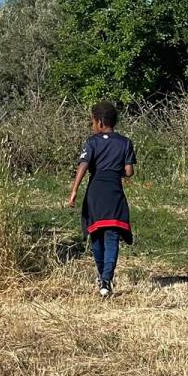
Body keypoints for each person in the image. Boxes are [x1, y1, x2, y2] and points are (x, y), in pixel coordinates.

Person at [68, 101, 136, 298]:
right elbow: (129, 172)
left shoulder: (92, 142)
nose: (92, 126)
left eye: (92, 122)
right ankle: (106, 278)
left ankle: (102, 278)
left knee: (96, 236)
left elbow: (83, 165)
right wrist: (115, 170)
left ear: (99, 122)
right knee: (112, 236)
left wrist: (74, 191)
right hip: (114, 193)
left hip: (95, 193)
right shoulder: (125, 142)